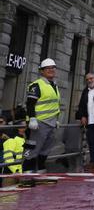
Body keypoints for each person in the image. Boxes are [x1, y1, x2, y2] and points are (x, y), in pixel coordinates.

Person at [21, 58, 62, 186]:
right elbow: (30, 104)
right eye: (48, 68)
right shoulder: (36, 85)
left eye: (53, 68)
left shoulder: (54, 85)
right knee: (32, 151)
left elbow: (54, 105)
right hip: (38, 124)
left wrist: (56, 120)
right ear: (42, 71)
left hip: (50, 124)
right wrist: (32, 118)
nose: (51, 70)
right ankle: (27, 178)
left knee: (44, 152)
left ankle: (40, 176)